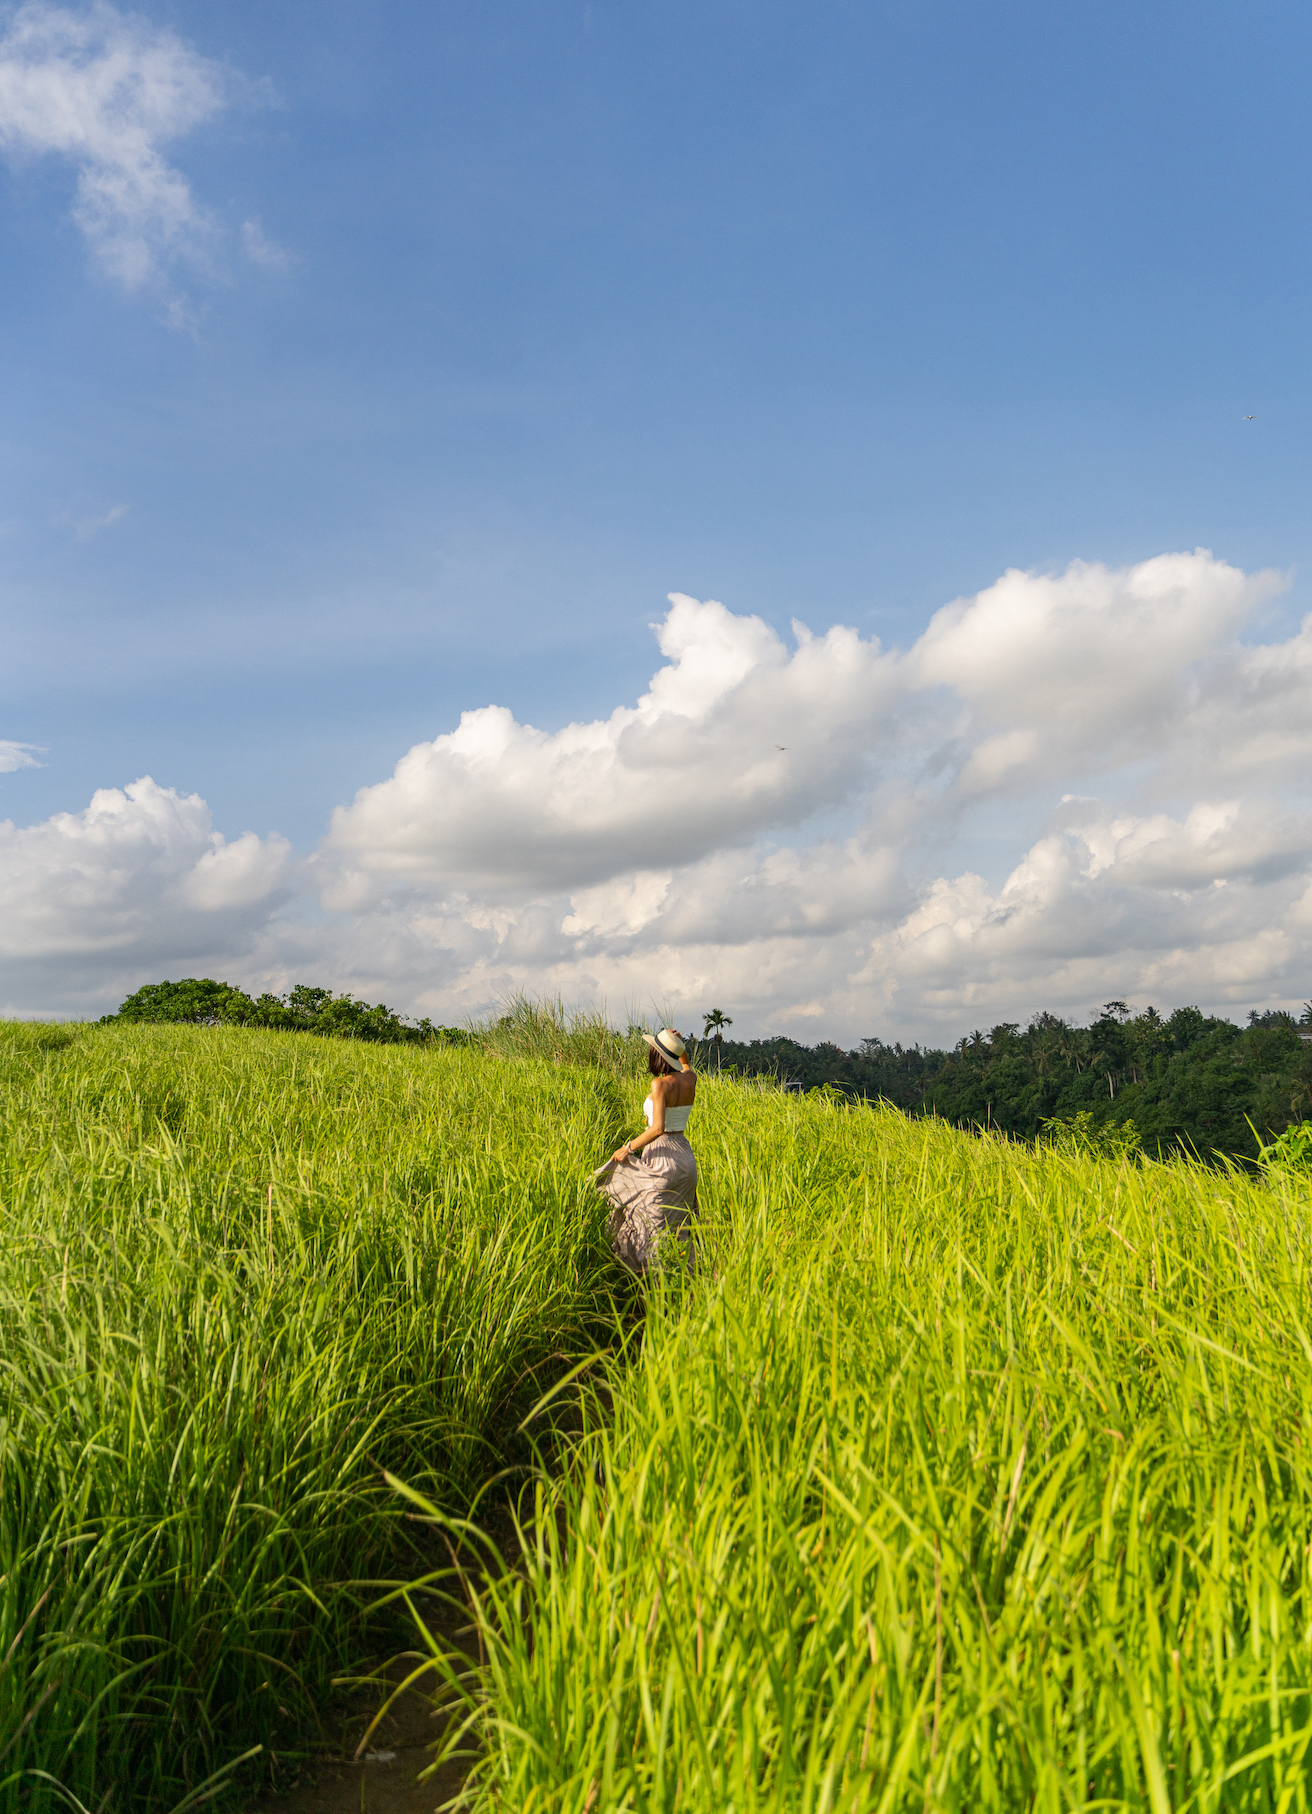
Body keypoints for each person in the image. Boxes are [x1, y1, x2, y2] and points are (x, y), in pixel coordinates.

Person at [597, 1026, 698, 1275]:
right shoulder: (690, 1079)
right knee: (679, 1225)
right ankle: (684, 1283)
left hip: (662, 1156)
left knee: (651, 1225)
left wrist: (627, 1147)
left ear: (657, 1057)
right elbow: (686, 1065)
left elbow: (657, 1128)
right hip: (685, 1157)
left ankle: (652, 1287)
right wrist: (678, 1045)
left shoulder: (659, 1084)